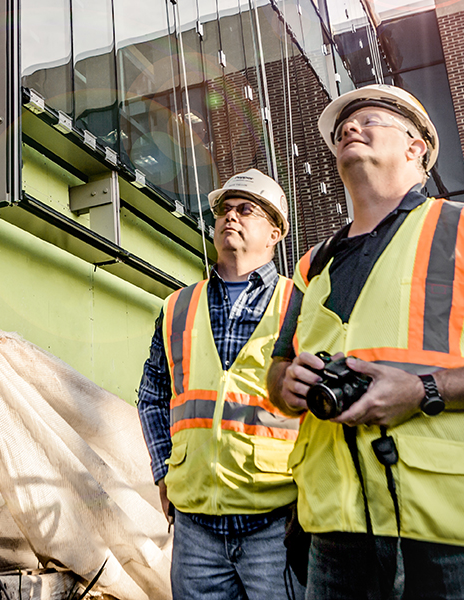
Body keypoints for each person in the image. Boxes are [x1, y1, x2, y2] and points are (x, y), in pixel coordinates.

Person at [267, 85, 464, 600]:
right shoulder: (312, 264)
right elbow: (277, 373)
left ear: (416, 149)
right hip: (338, 525)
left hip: (462, 523)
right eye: (345, 126)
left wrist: (425, 390)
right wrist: (288, 384)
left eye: (369, 120)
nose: (350, 128)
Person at [138, 168, 305, 600]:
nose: (231, 216)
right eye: (224, 211)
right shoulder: (177, 306)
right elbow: (153, 395)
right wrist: (163, 472)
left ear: (274, 233)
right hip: (196, 528)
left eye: (245, 209)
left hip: (275, 521)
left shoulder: (300, 304)